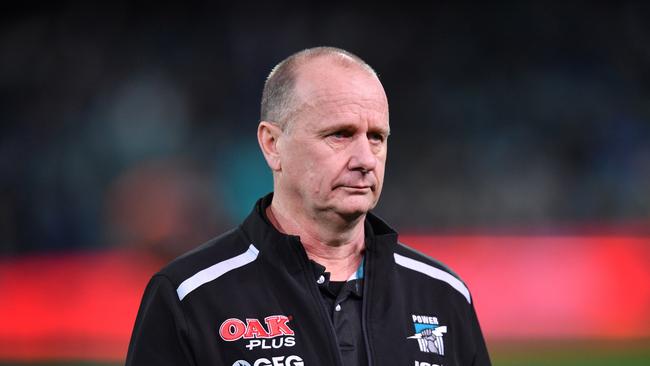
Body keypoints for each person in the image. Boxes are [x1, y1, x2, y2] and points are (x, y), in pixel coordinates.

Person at [126, 46, 491, 366]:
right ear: (272, 144)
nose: (365, 158)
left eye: (377, 137)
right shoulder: (189, 297)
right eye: (340, 134)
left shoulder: (444, 295)